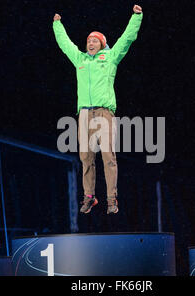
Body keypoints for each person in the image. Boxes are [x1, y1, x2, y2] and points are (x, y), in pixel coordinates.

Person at [53, 5, 143, 214]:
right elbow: (65, 44)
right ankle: (89, 196)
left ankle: (112, 199)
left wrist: (136, 17)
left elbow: (126, 39)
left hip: (104, 112)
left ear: (102, 44)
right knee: (85, 156)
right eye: (88, 41)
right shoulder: (81, 60)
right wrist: (57, 25)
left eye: (94, 40)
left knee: (108, 156)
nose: (90, 43)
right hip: (84, 112)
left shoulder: (109, 59)